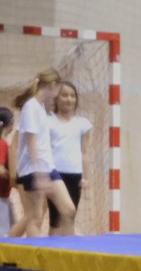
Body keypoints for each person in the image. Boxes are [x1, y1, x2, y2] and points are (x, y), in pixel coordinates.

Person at [14, 68, 76, 237]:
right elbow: (31, 142)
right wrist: (40, 174)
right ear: (52, 85)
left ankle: (68, 248)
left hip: (47, 166)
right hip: (34, 169)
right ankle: (32, 252)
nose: (58, 95)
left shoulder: (40, 107)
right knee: (35, 217)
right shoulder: (31, 107)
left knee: (69, 210)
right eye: (59, 90)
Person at [47, 81, 92, 235]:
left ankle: (68, 246)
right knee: (55, 218)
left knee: (70, 216)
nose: (69, 99)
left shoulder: (82, 124)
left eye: (72, 96)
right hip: (54, 173)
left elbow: (84, 152)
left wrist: (86, 177)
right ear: (56, 98)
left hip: (74, 173)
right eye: (65, 95)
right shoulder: (49, 121)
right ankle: (51, 247)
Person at [0, 107, 15, 237]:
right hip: (1, 196)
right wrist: (14, 178)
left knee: (13, 228)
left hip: (4, 196)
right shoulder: (2, 144)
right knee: (4, 234)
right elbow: (0, 170)